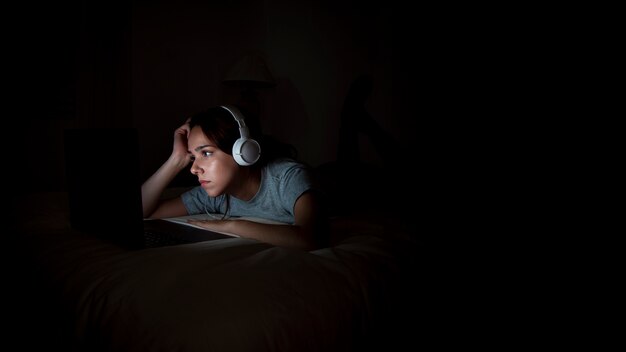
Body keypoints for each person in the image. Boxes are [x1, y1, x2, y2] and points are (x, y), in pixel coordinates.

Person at [141, 105, 327, 251]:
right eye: (192, 157)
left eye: (206, 153)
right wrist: (175, 160)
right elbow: (143, 211)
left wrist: (231, 226)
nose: (194, 169)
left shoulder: (288, 178)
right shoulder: (216, 193)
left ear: (244, 151)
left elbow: (310, 239)